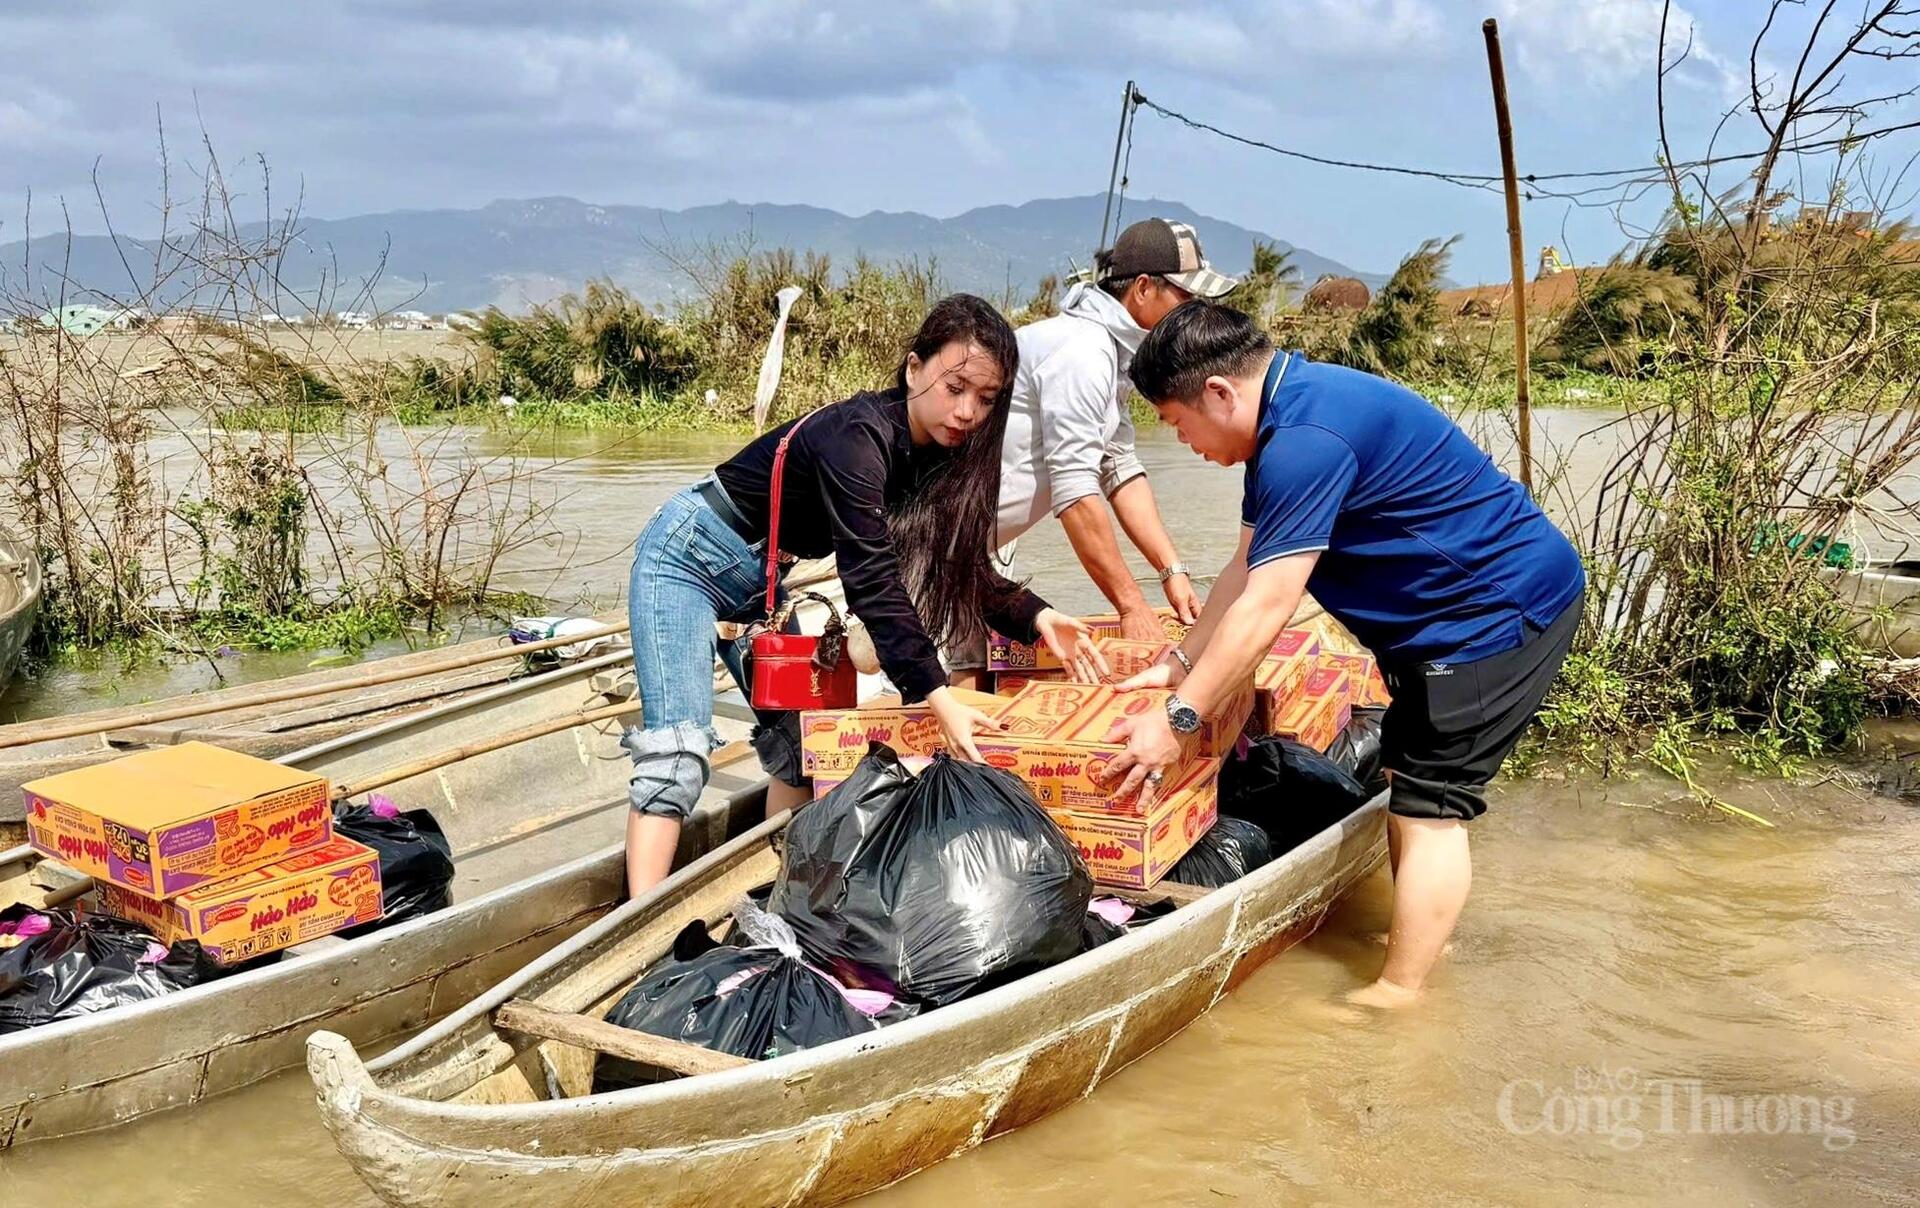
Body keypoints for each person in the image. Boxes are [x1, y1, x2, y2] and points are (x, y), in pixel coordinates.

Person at [1103, 301, 1585, 1008]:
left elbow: (1268, 605)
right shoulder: (1285, 422)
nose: (1189, 444)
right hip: (1440, 626)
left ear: (1218, 393)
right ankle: (1418, 935)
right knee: (1406, 776)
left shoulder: (1306, 440)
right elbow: (1243, 567)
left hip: (1493, 617)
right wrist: (1180, 663)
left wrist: (1177, 720)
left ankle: (1403, 993)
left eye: (1178, 426)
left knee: (1430, 805)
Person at [621, 294, 1105, 896]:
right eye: (956, 387)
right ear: (913, 368)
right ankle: (641, 935)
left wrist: (1040, 616)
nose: (967, 412)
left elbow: (953, 563)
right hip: (686, 560)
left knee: (802, 749)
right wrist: (935, 694)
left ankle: (785, 892)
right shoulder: (857, 438)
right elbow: (871, 576)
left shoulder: (935, 459)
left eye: (985, 399)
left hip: (765, 582)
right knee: (677, 756)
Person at [972, 218, 1237, 664]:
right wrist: (1131, 606)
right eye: (1186, 296)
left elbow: (1119, 467)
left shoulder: (1114, 355)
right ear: (1144, 289)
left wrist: (1171, 571)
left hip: (981, 543)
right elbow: (1075, 491)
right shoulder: (1083, 352)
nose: (1193, 311)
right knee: (933, 687)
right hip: (939, 536)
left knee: (970, 671)